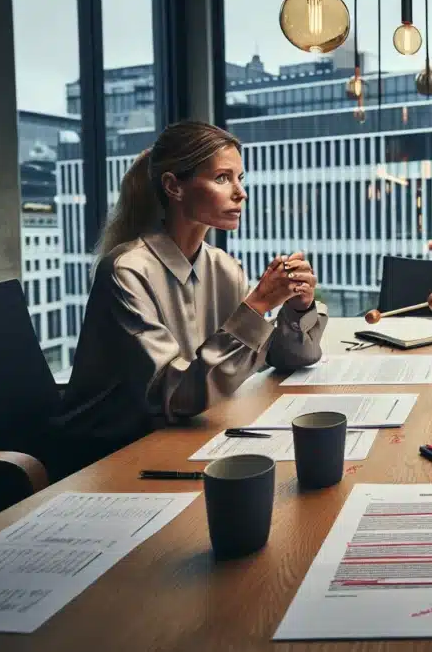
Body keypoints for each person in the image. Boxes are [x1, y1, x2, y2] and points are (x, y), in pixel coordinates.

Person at [51, 121, 327, 475]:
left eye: (241, 178)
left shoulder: (223, 268)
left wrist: (297, 307)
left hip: (182, 439)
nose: (240, 193)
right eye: (223, 178)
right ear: (173, 186)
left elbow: (288, 358)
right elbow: (176, 397)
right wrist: (257, 306)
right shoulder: (126, 272)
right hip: (109, 459)